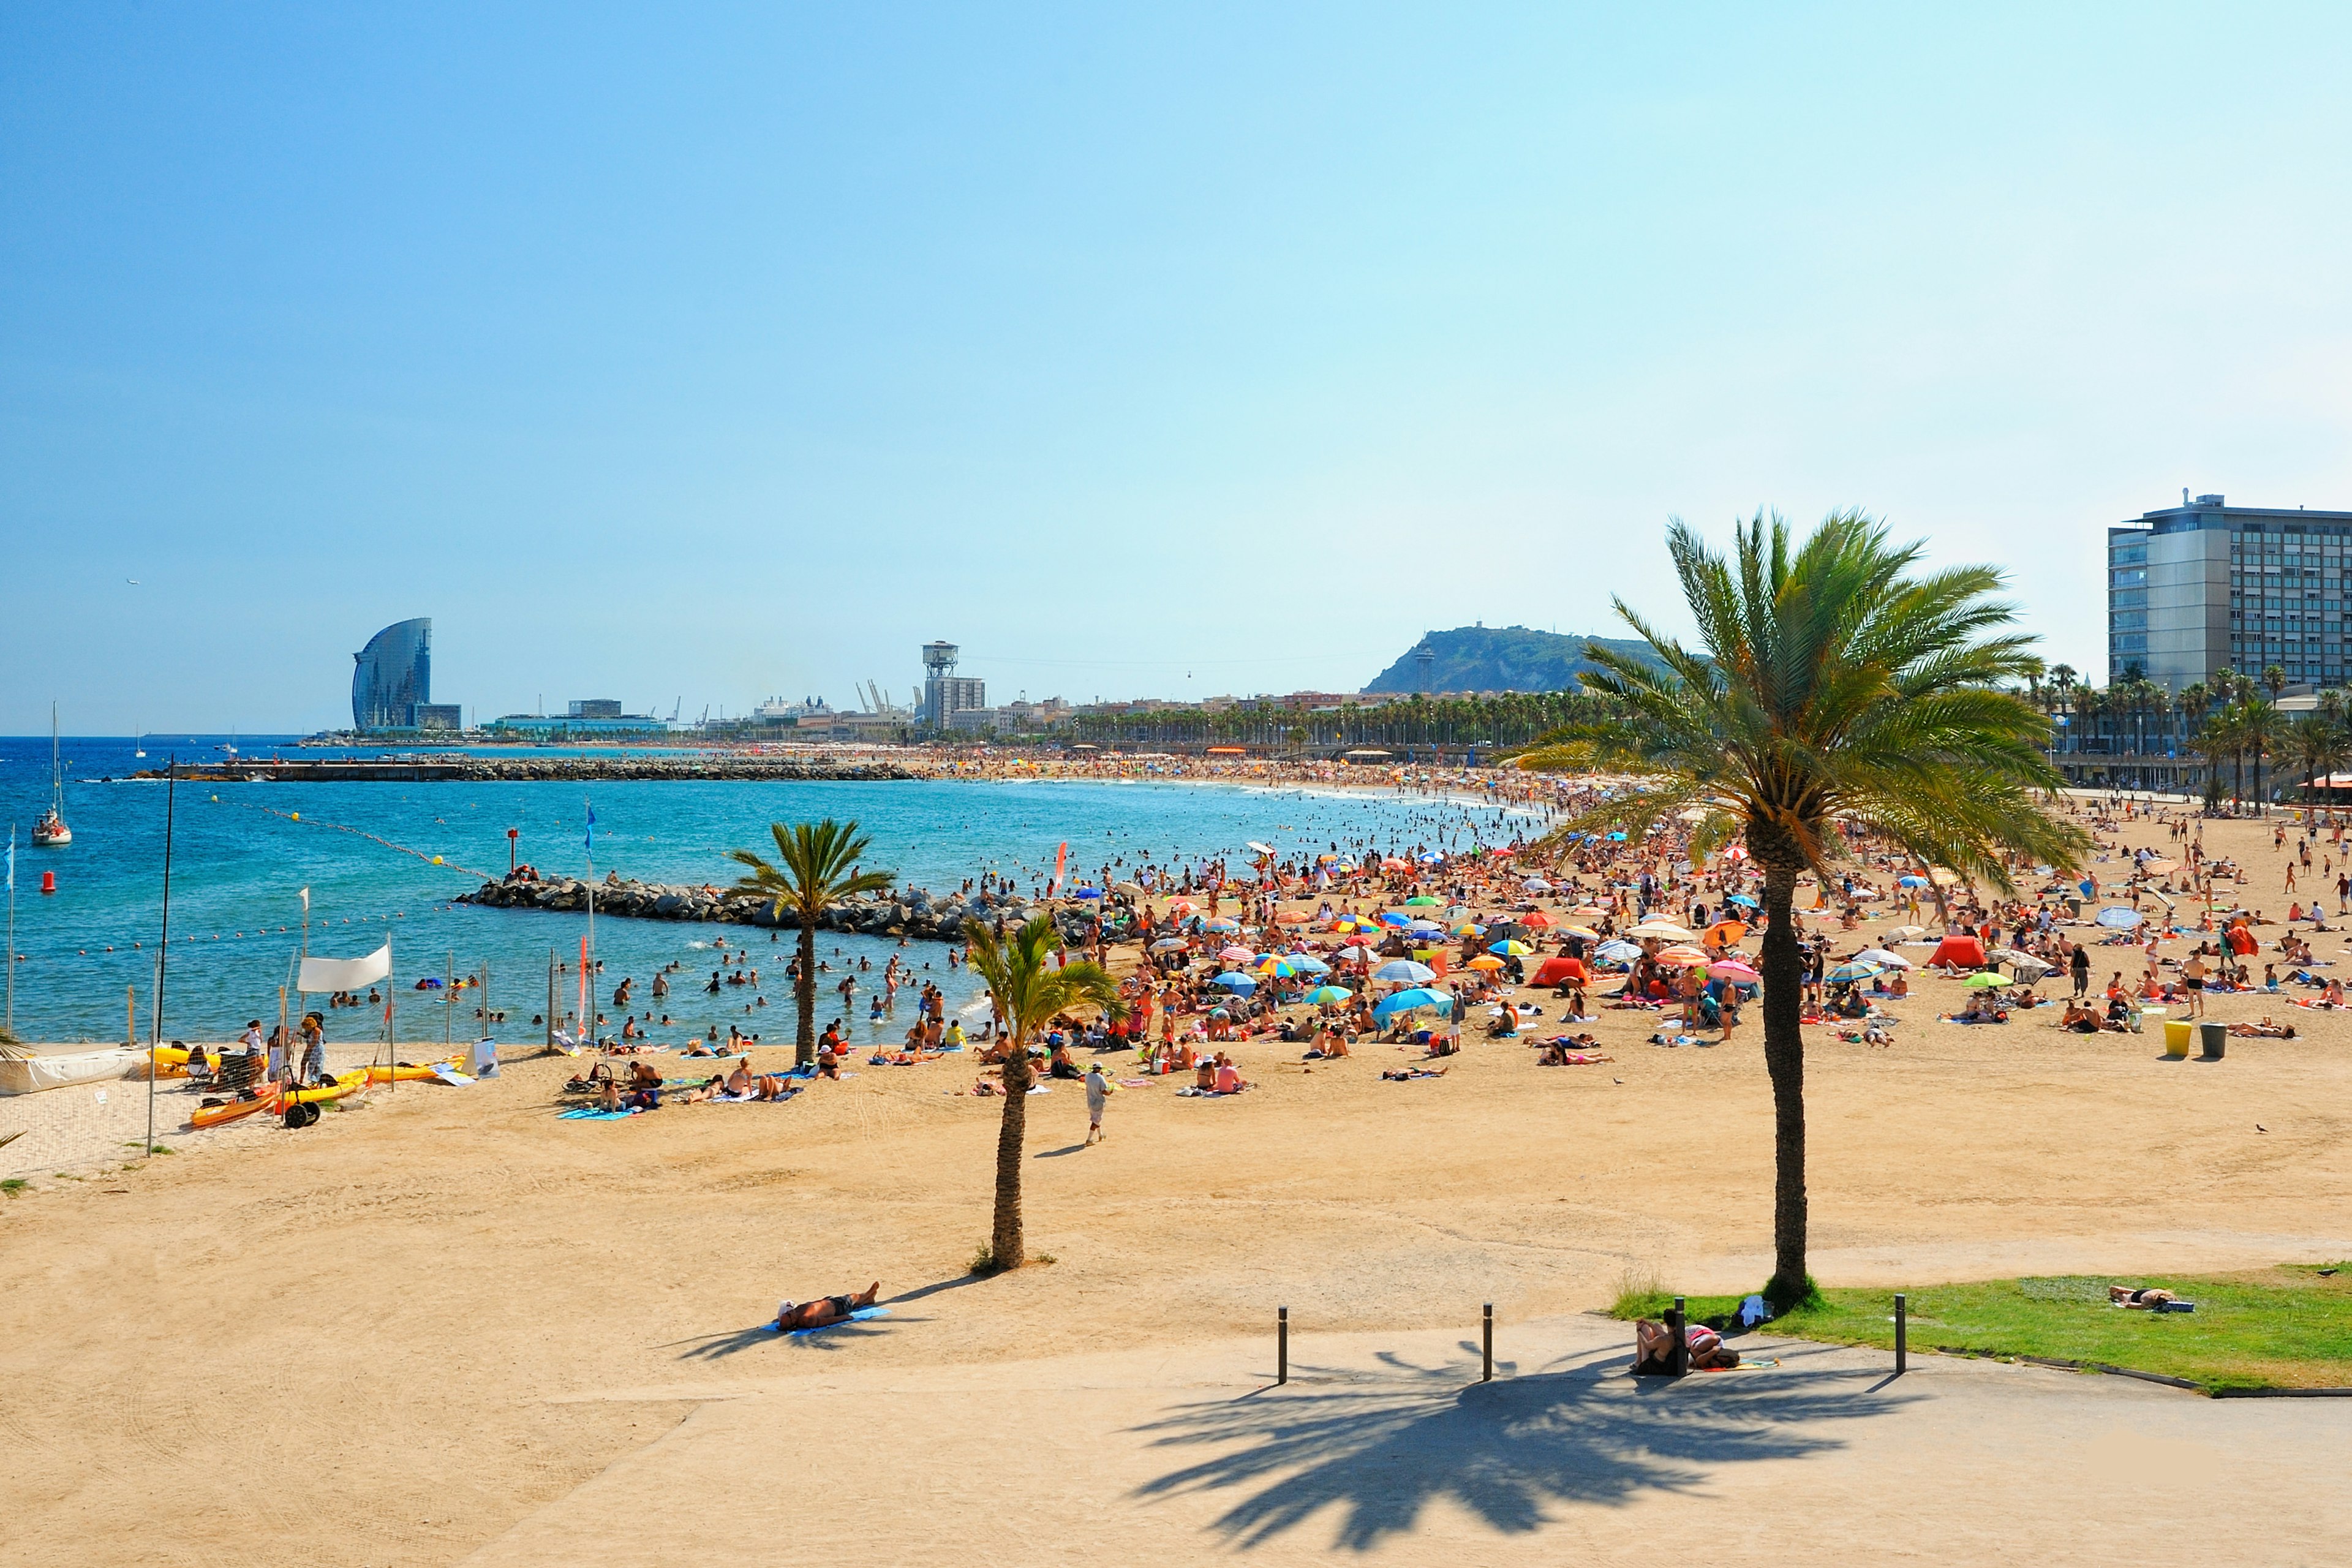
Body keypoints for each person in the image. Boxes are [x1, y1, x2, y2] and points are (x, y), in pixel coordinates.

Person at [773, 1283, 882, 1331]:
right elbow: (825, 1321)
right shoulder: (806, 1320)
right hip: (837, 1308)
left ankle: (868, 1301)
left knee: (854, 1304)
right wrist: (843, 1318)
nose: (789, 1312)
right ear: (793, 1322)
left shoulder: (796, 1313)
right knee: (853, 1297)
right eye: (788, 1314)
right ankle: (867, 1295)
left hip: (828, 1302)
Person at [1084, 1062, 1109, 1145]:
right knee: (1096, 1121)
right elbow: (1104, 1091)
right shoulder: (1100, 1078)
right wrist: (1110, 1093)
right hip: (1098, 1102)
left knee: (1096, 1119)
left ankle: (1100, 1135)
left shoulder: (1088, 1076)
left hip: (1090, 1101)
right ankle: (1089, 1139)